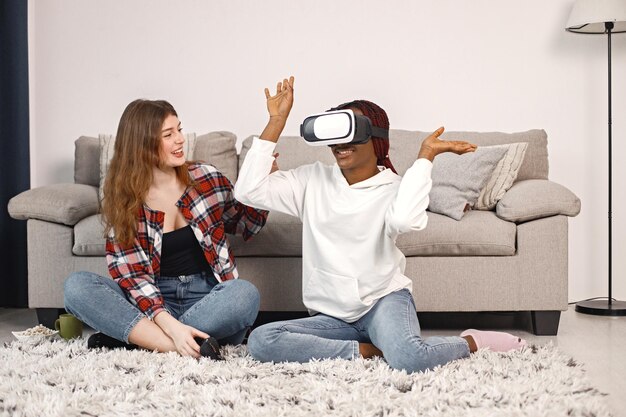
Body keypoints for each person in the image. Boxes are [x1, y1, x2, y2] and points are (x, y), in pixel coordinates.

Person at [234, 76, 527, 373]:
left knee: (410, 359)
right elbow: (247, 191)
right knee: (262, 340)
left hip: (382, 304)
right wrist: (276, 122)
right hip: (333, 317)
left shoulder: (395, 187)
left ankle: (471, 342)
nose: (341, 144)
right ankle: (369, 350)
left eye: (352, 132)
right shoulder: (312, 180)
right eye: (335, 134)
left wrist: (424, 158)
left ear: (376, 139)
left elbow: (405, 219)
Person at [64, 99, 267, 359]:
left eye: (179, 130)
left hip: (206, 298)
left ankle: (141, 340)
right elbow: (133, 278)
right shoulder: (124, 199)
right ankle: (178, 344)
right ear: (143, 144)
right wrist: (169, 325)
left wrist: (262, 184)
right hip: (151, 299)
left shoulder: (205, 177)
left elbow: (248, 223)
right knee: (76, 287)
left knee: (244, 295)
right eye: (168, 135)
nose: (180, 139)